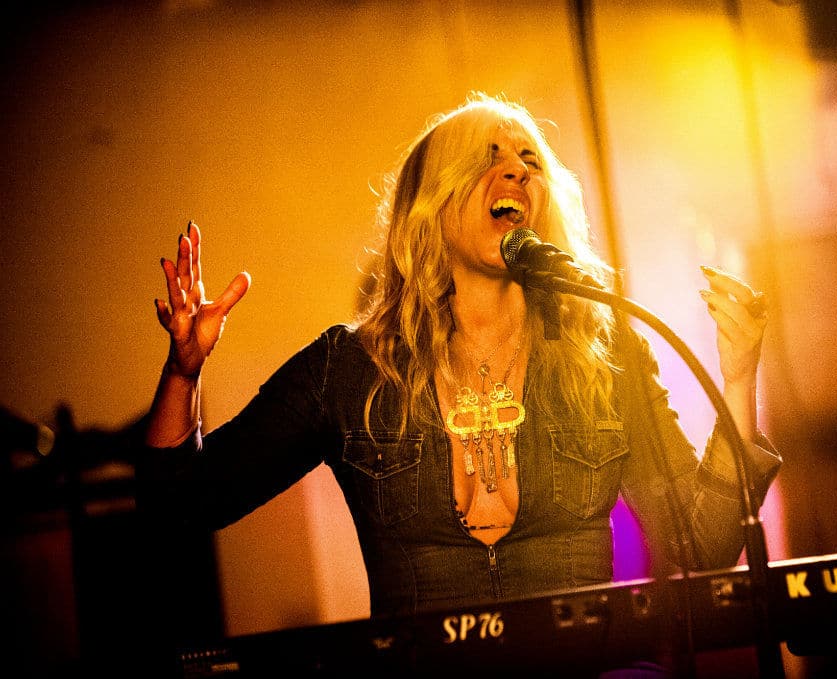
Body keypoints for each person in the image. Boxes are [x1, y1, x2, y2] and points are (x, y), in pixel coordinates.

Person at [140, 92, 781, 676]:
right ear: (434, 202)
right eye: (487, 157)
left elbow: (704, 543)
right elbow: (179, 507)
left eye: (530, 160)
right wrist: (182, 372)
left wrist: (739, 374)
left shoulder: (603, 353)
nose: (516, 171)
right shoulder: (349, 369)